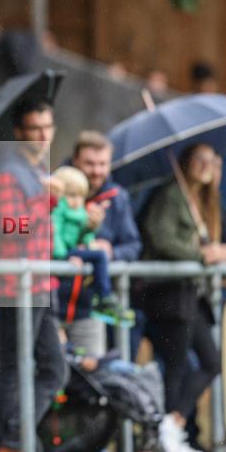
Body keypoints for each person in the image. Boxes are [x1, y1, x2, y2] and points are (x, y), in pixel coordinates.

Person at [0, 100, 68, 452]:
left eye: (48, 127)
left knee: (51, 368)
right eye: (35, 127)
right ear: (20, 132)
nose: (43, 135)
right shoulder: (7, 173)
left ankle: (11, 446)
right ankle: (6, 449)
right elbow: (3, 227)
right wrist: (46, 201)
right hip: (16, 287)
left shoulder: (32, 172)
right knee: (15, 370)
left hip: (39, 284)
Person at [138, 143, 226, 452]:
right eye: (199, 159)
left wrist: (219, 251)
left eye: (212, 160)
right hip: (168, 294)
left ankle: (172, 425)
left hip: (189, 296)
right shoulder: (171, 194)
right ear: (186, 162)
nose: (206, 166)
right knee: (176, 366)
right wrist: (201, 255)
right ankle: (167, 435)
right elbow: (160, 236)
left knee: (210, 362)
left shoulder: (203, 200)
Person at [63, 130, 143, 355]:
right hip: (51, 303)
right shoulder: (56, 189)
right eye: (89, 163)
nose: (96, 171)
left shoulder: (117, 198)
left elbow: (133, 246)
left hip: (88, 308)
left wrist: (110, 252)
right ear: (76, 159)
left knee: (91, 374)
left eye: (102, 164)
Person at [50, 165, 128, 325]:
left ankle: (104, 297)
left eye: (80, 196)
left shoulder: (80, 213)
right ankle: (104, 296)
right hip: (63, 255)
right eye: (71, 195)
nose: (76, 201)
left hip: (73, 259)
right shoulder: (57, 211)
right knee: (99, 256)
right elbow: (55, 234)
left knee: (99, 254)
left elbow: (81, 236)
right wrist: (61, 256)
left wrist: (90, 233)